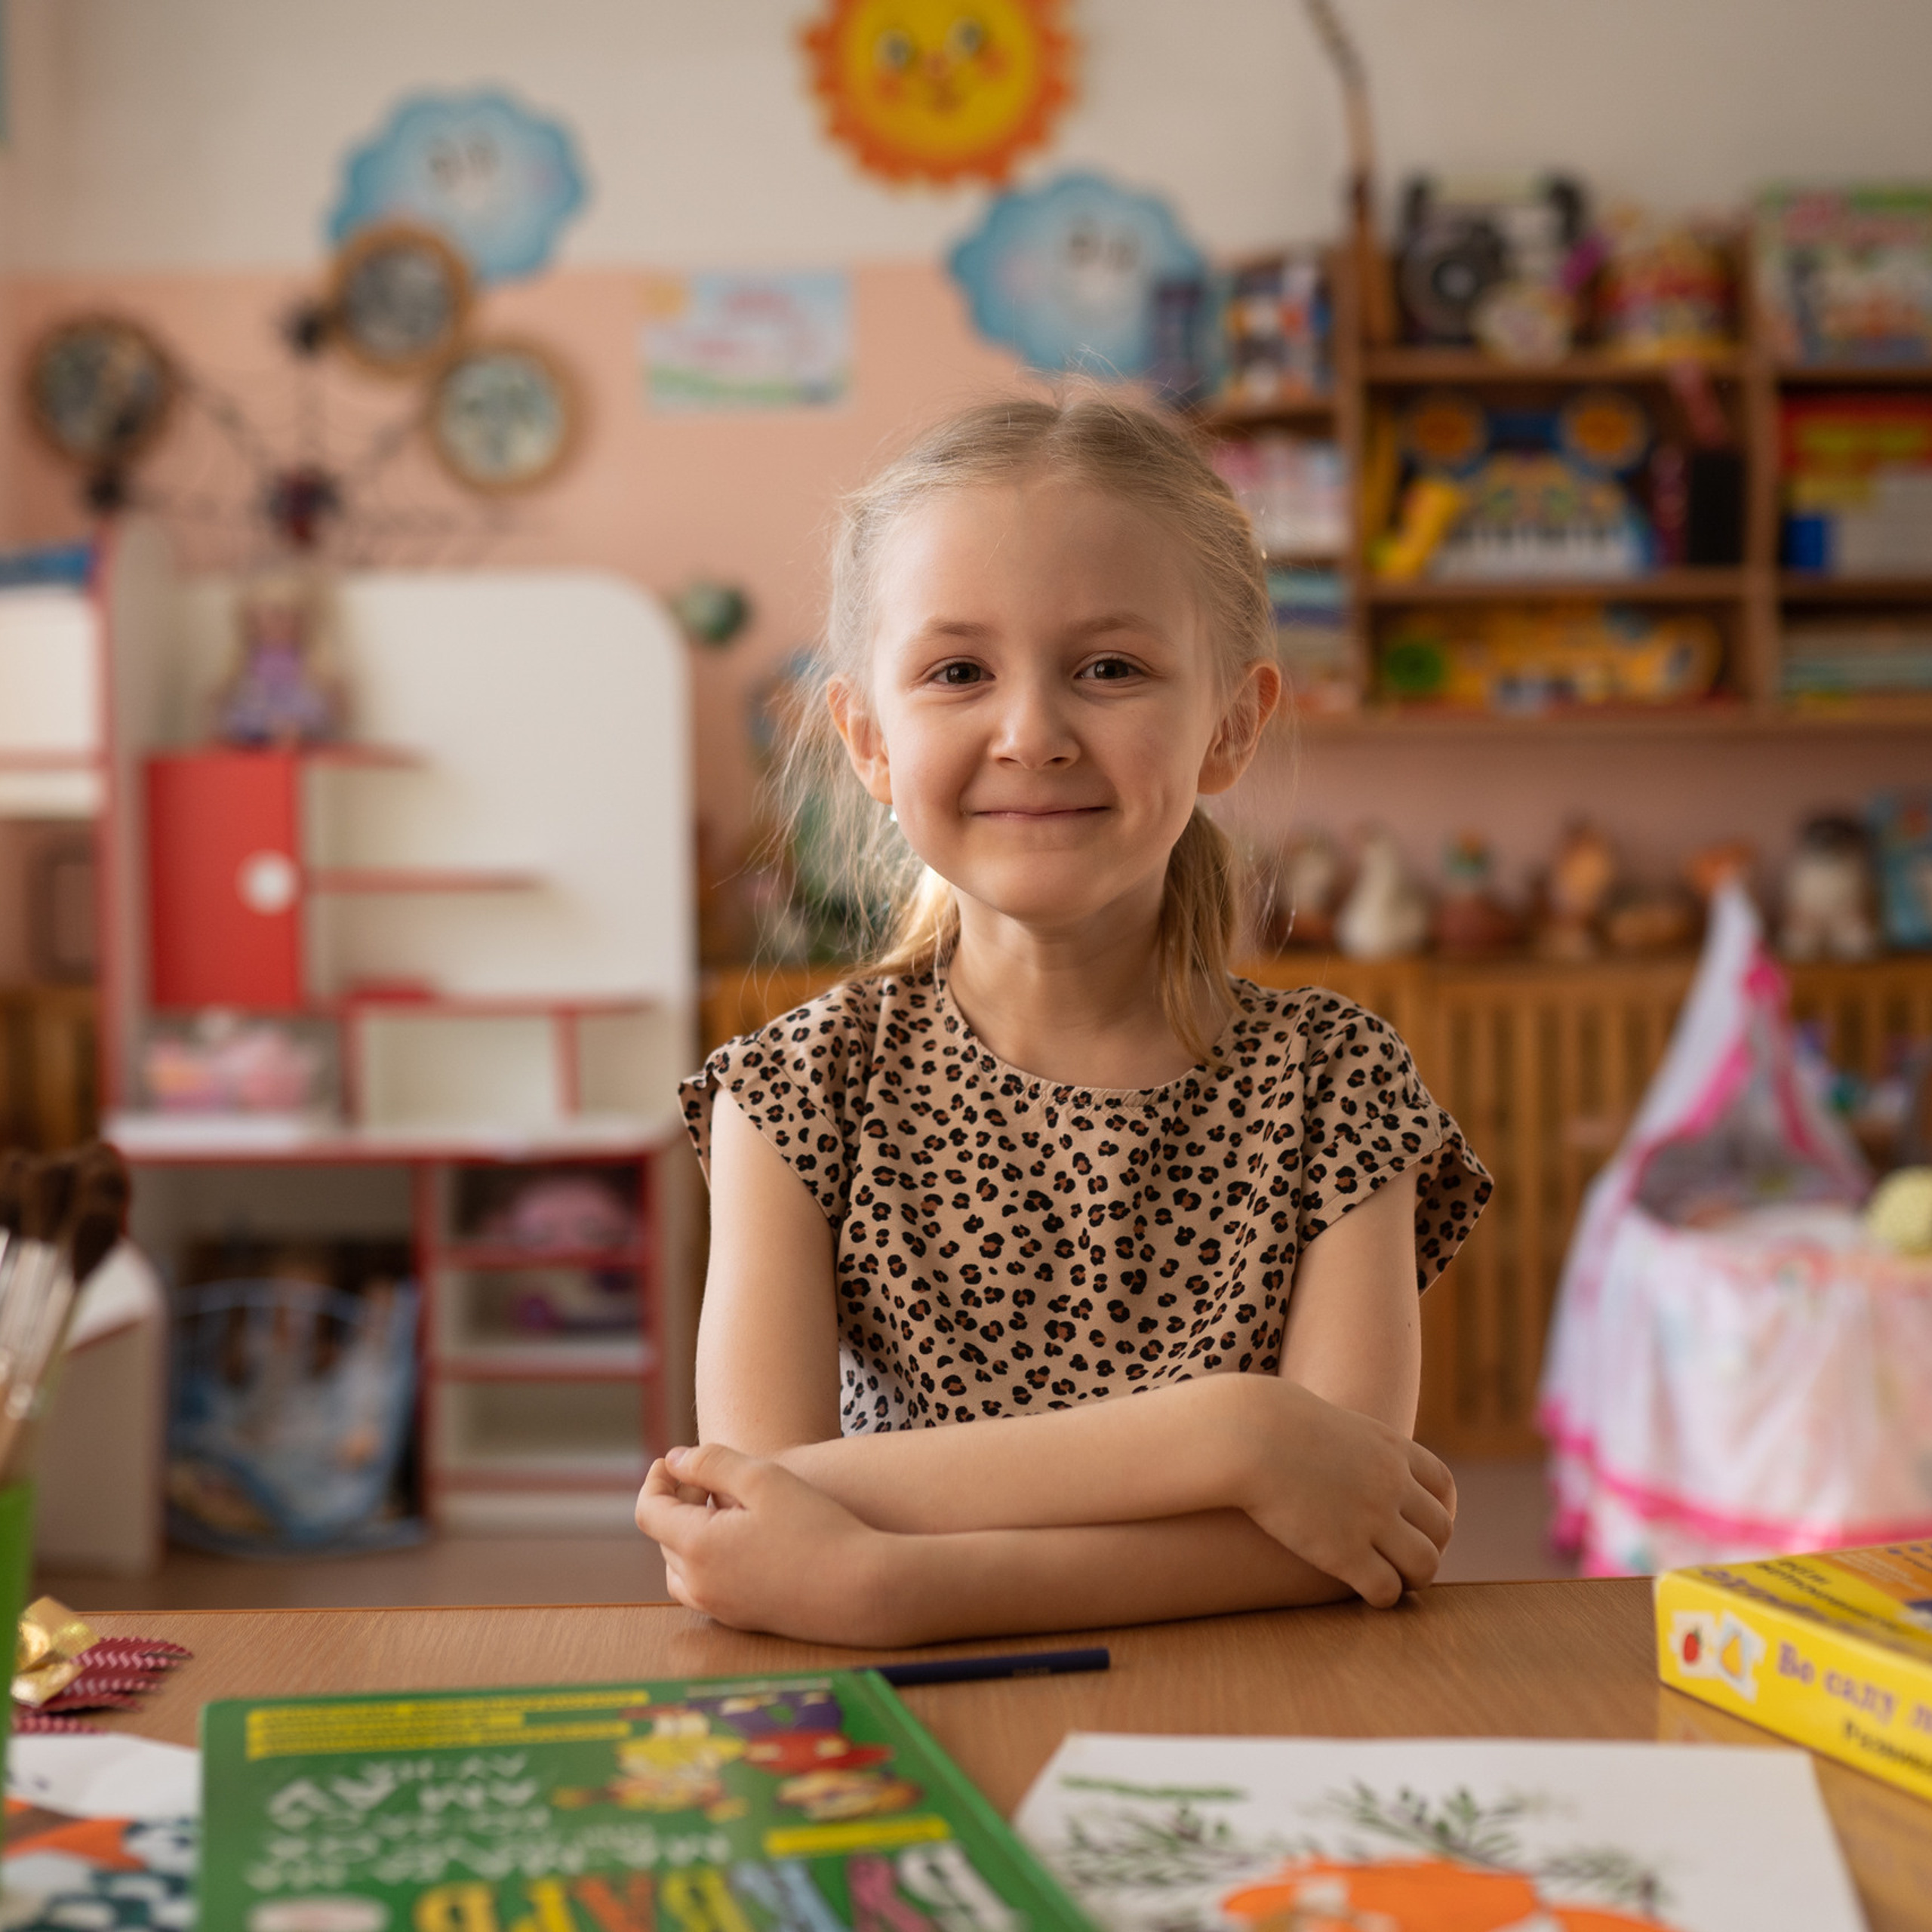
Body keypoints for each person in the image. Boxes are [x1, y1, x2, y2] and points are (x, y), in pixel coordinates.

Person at [637, 394, 1491, 1645]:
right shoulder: (794, 1092)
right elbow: (748, 1510)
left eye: (1110, 669)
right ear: (868, 740)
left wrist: (897, 1584)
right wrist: (1237, 1437)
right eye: (958, 672)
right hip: (916, 1760)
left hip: (1260, 1740)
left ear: (1231, 725)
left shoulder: (1337, 1083)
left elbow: (1351, 1537)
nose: (1031, 733)